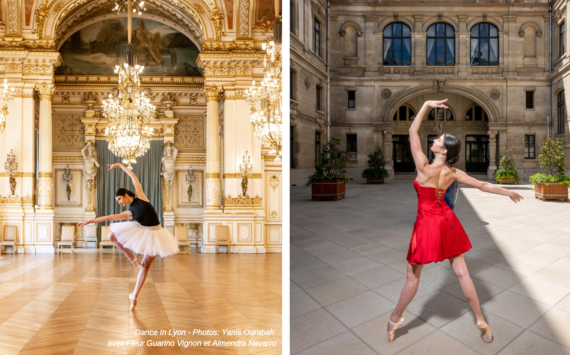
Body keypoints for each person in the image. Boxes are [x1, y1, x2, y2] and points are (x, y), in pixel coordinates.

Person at [387, 99, 523, 343]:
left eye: (439, 141)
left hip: (427, 225)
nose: (435, 141)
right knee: (462, 273)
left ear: (444, 150)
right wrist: (509, 192)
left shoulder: (423, 167)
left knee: (412, 275)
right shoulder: (453, 173)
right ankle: (480, 319)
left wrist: (426, 105)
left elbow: (412, 130)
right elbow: (483, 185)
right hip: (447, 221)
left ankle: (394, 319)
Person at [78, 163, 179, 311]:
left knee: (145, 267)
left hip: (156, 234)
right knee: (112, 235)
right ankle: (132, 258)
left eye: (119, 199)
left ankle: (134, 295)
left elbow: (133, 176)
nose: (119, 203)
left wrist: (120, 165)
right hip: (143, 231)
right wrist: (90, 220)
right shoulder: (129, 212)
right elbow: (109, 217)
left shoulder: (141, 196)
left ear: (126, 195)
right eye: (117, 201)